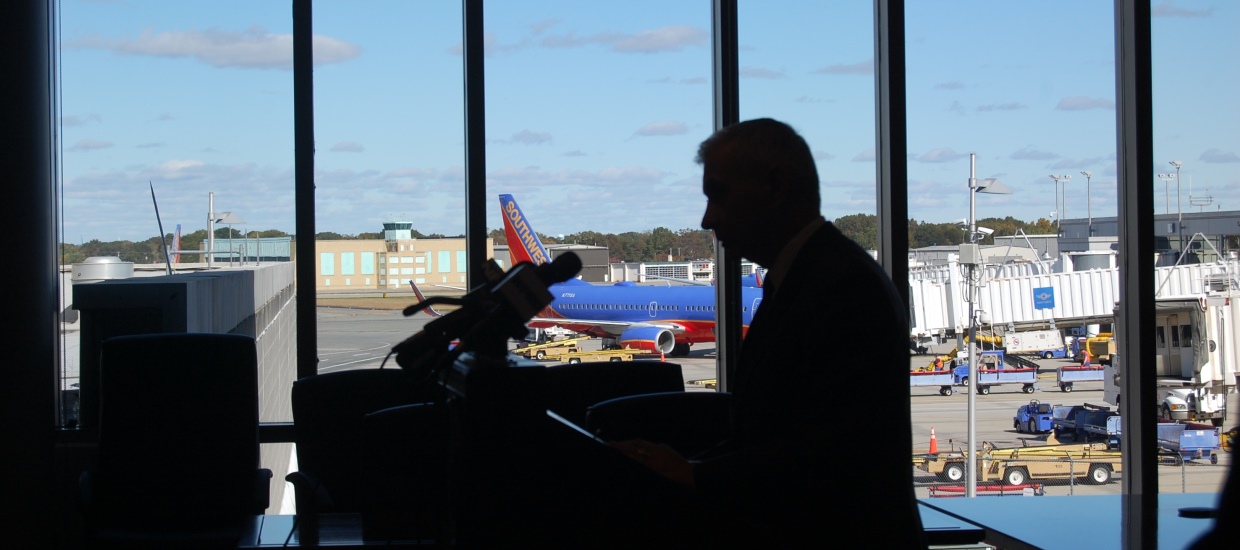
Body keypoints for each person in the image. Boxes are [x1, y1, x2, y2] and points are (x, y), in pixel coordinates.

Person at [613, 118, 926, 547]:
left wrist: (693, 475)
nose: (707, 219)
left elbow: (827, 457)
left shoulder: (842, 289)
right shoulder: (806, 277)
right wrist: (688, 469)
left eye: (719, 195)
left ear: (775, 187)